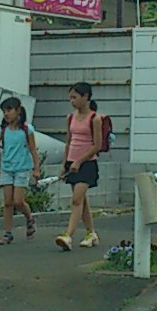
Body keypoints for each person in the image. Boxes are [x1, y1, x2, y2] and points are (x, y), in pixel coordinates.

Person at [0, 96, 41, 245]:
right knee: (8, 202)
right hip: (7, 168)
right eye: (4, 111)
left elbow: (33, 150)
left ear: (18, 111)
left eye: (9, 110)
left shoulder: (27, 129)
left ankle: (30, 218)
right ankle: (8, 233)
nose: (6, 114)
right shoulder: (2, 130)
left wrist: (36, 169)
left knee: (18, 201)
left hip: (22, 168)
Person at [56, 81, 104, 250]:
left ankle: (68, 235)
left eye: (75, 97)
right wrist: (65, 164)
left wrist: (79, 161)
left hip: (87, 164)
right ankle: (91, 233)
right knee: (82, 200)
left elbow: (96, 145)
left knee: (76, 199)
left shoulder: (95, 118)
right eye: (70, 98)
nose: (72, 101)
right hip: (72, 162)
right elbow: (69, 141)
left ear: (86, 97)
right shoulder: (70, 118)